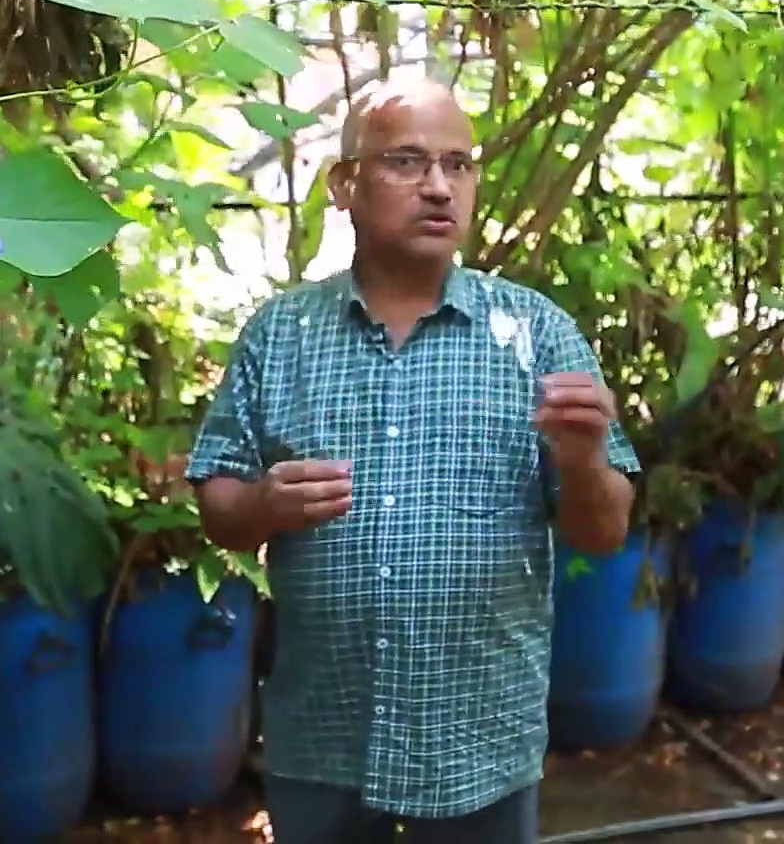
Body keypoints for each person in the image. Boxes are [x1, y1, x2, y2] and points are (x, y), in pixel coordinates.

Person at [184, 75, 642, 844]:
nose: (439, 187)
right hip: (323, 739)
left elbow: (604, 534)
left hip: (478, 746)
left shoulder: (536, 334)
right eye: (406, 161)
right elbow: (217, 504)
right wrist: (264, 505)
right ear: (346, 185)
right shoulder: (281, 335)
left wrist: (583, 461)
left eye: (458, 165)